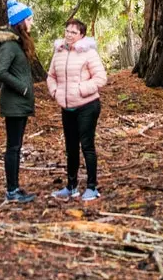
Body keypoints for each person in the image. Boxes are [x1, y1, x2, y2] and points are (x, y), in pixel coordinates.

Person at [46, 17, 107, 201]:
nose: (69, 35)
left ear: (81, 35)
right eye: (67, 31)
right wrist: (55, 92)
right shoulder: (59, 52)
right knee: (71, 147)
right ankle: (71, 186)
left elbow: (101, 78)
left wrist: (80, 90)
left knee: (87, 145)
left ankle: (92, 187)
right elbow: (51, 76)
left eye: (74, 32)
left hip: (87, 106)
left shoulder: (88, 53)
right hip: (67, 108)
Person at [0, 0, 39, 204]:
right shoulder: (9, 46)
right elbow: (0, 72)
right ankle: (11, 191)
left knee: (16, 147)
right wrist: (22, 87)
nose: (32, 23)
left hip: (20, 103)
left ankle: (15, 187)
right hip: (13, 103)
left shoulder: (18, 43)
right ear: (20, 22)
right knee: (13, 148)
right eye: (29, 19)